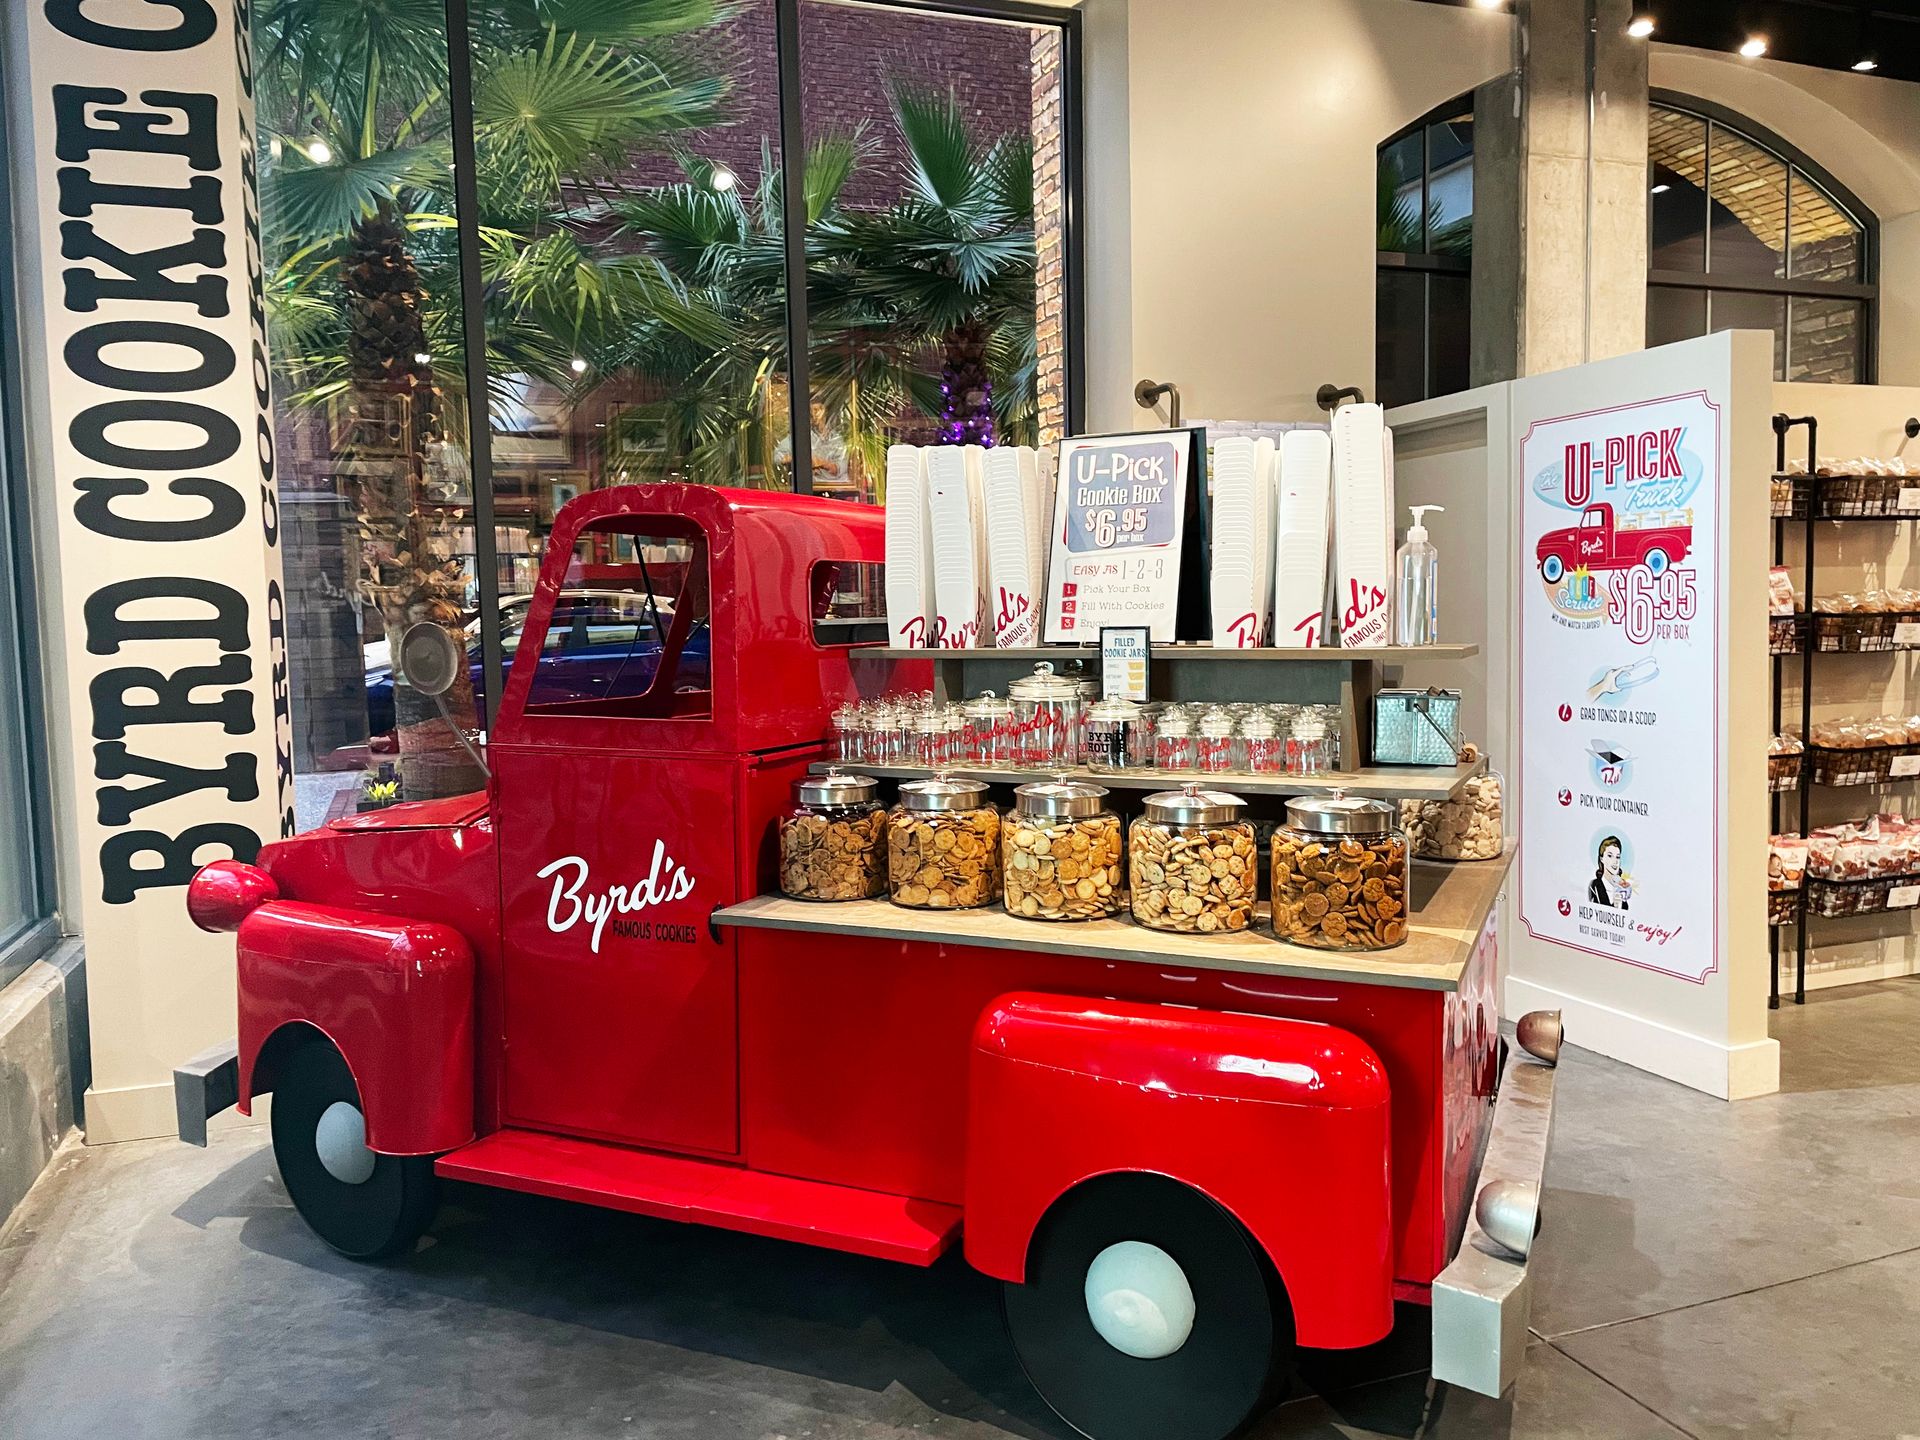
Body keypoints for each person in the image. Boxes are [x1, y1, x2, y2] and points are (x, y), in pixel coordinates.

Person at [1588, 835, 1632, 910]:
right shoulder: (1594, 886)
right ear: (1602, 859)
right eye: (1610, 856)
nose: (1615, 861)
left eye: (1617, 857)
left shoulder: (1622, 889)